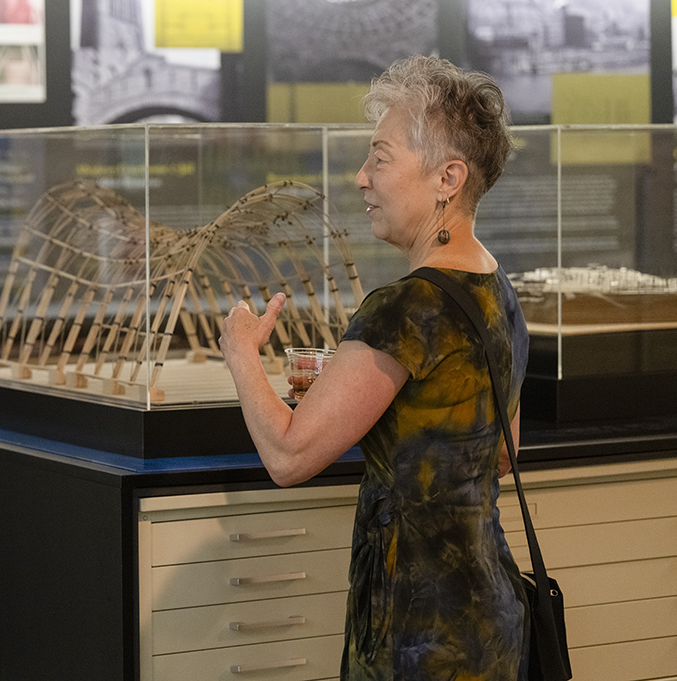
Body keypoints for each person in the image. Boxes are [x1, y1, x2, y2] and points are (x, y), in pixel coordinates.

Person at [219, 55, 529, 680]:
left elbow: (287, 455)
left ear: (448, 177)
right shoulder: (497, 289)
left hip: (412, 637)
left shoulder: (406, 309)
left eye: (380, 158)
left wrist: (241, 354)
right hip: (488, 621)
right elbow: (502, 452)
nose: (362, 177)